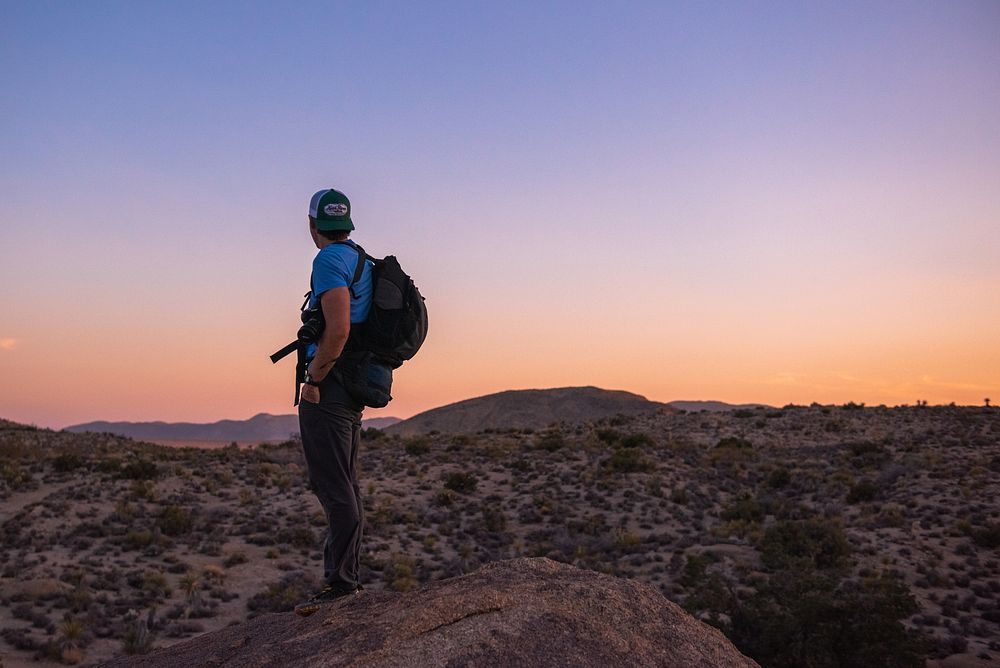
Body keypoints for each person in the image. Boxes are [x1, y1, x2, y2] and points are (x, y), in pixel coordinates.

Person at [293, 188, 374, 617]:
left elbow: (338, 328)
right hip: (353, 385)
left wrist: (314, 378)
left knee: (334, 485)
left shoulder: (327, 260)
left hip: (331, 385)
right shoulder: (358, 257)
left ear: (312, 224)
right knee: (344, 481)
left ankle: (341, 584)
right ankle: (346, 578)